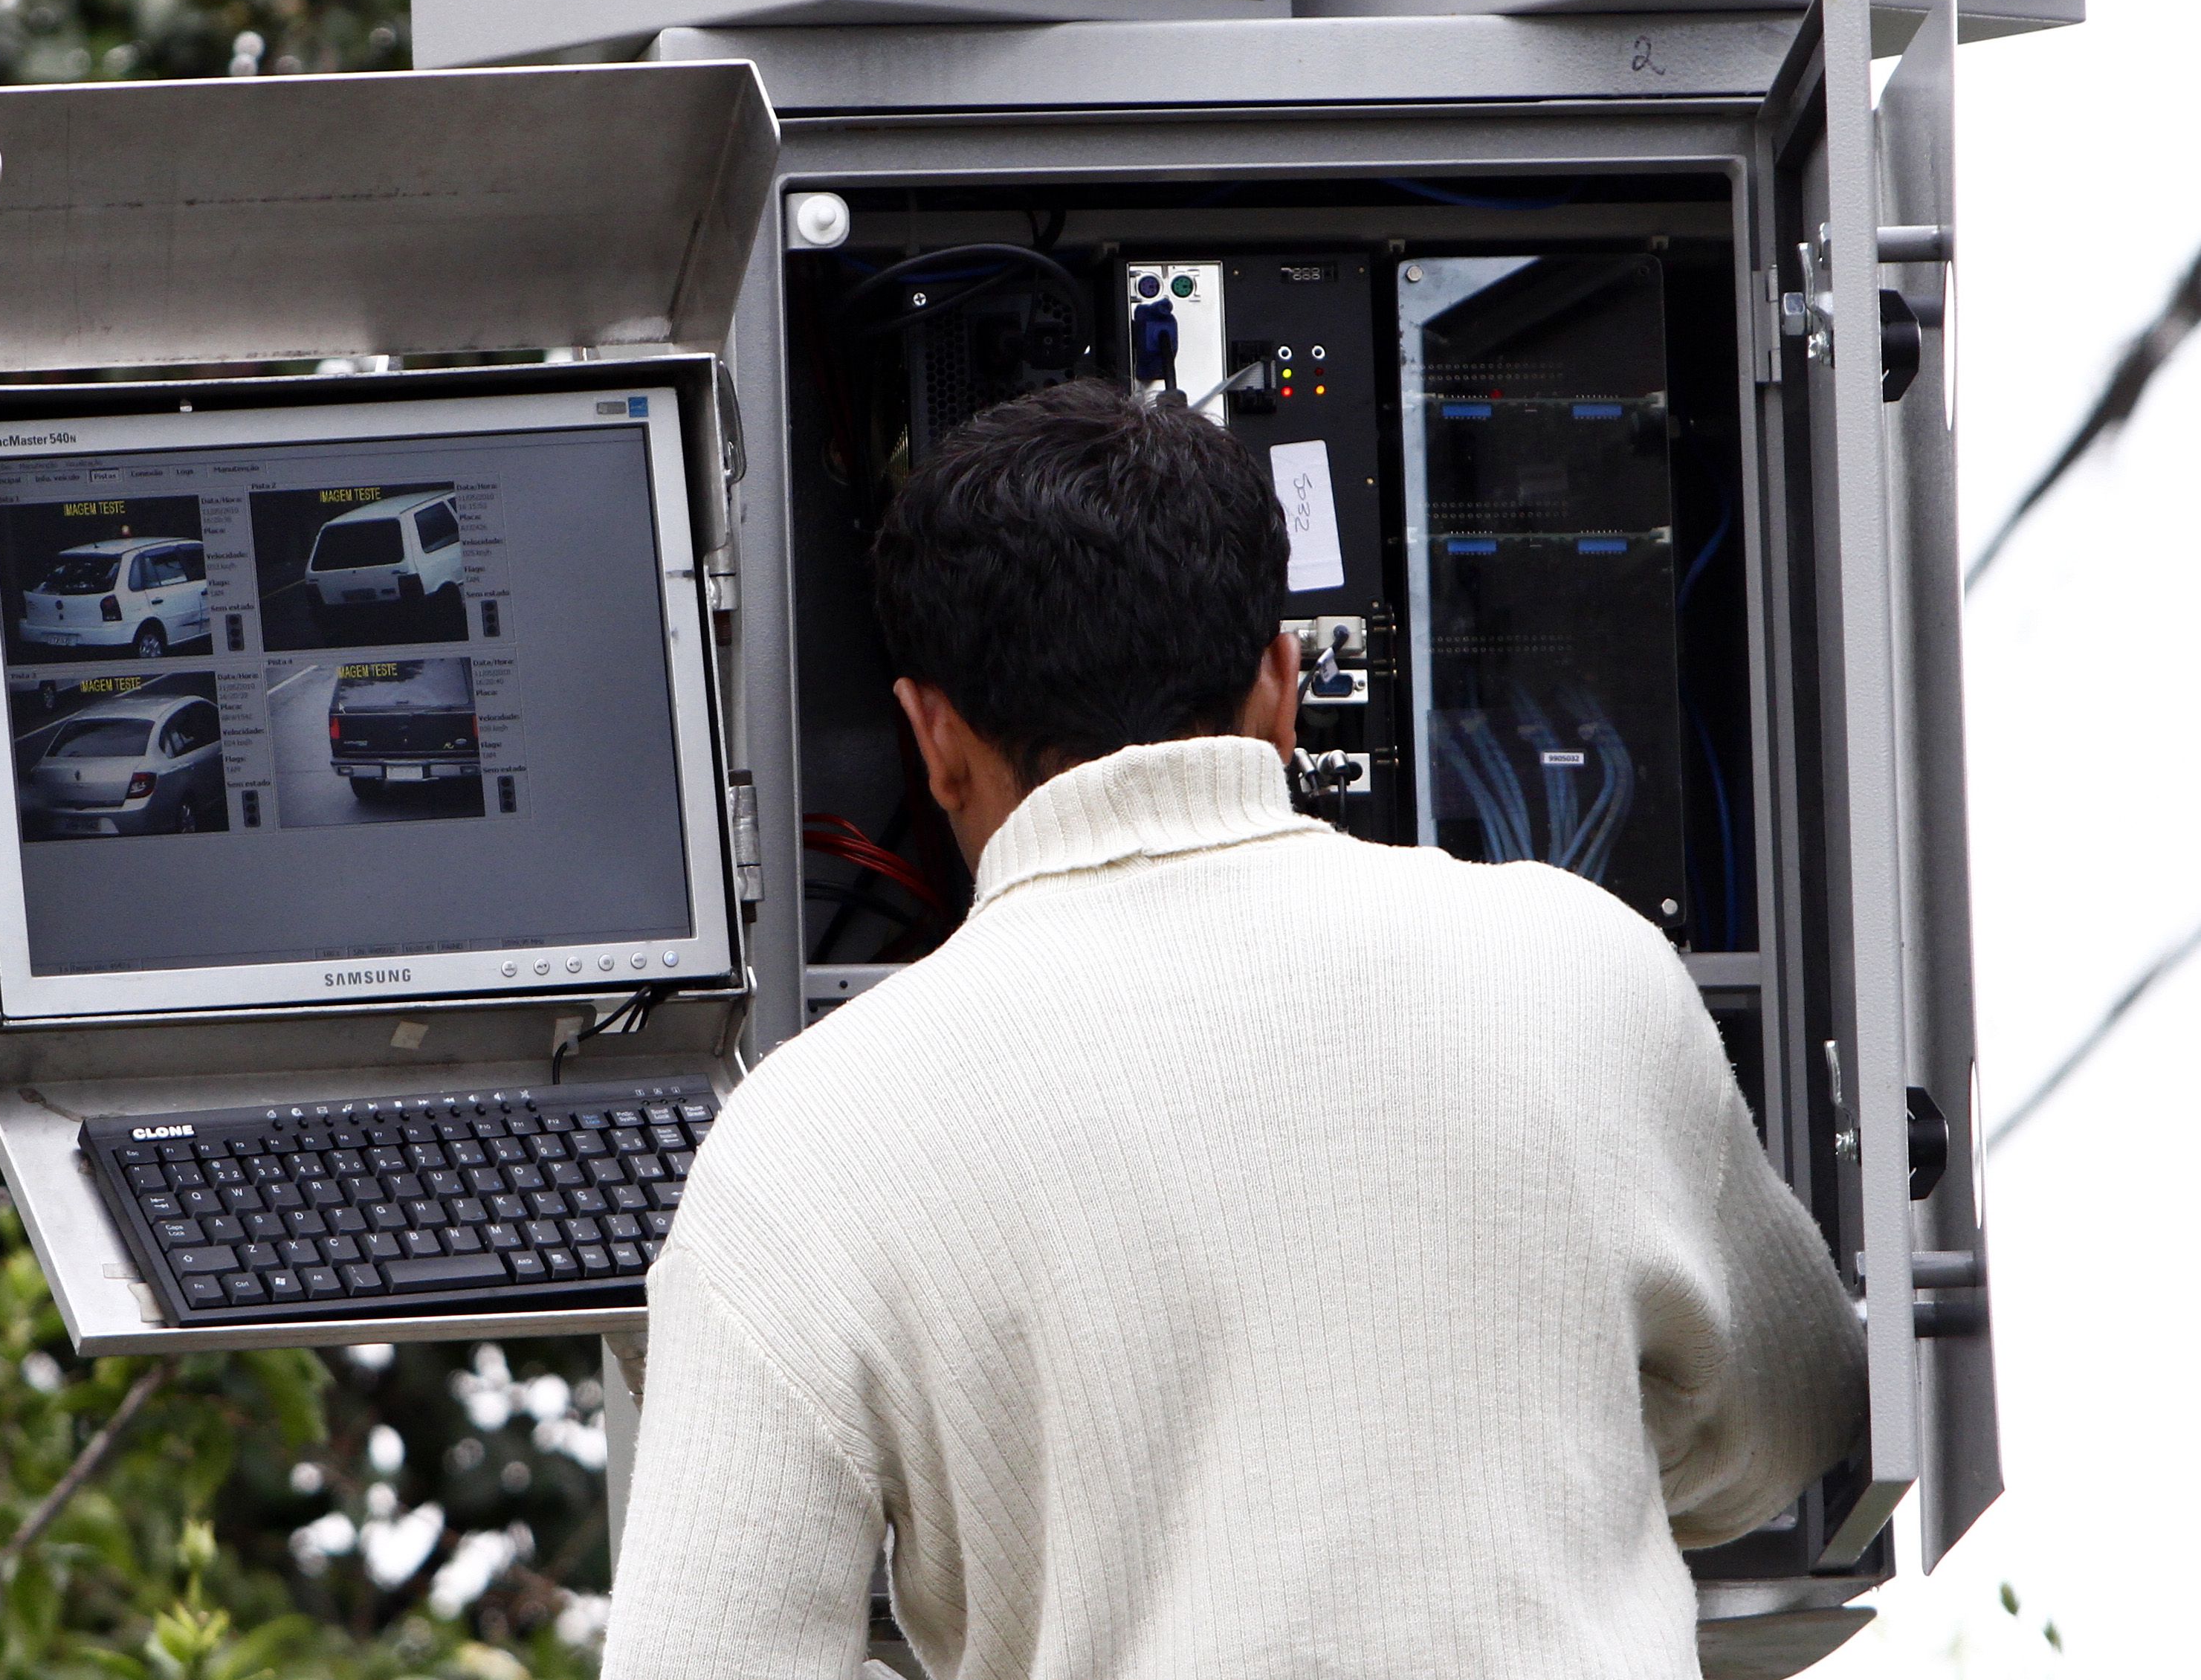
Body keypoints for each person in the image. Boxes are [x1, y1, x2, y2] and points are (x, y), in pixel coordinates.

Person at [603, 380, 1865, 1679]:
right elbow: (1799, 1414)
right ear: (1281, 679)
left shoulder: (805, 1140)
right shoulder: (1586, 966)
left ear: (932, 735)